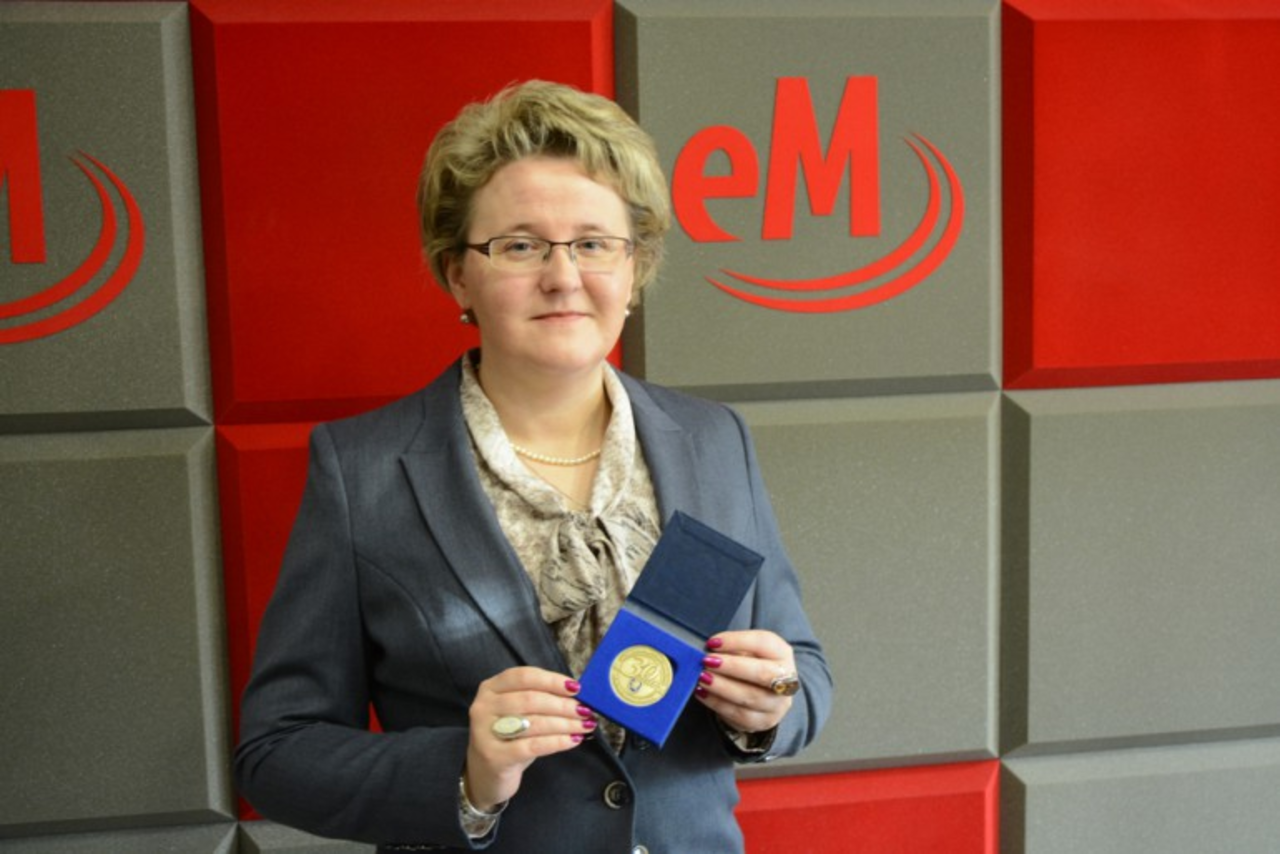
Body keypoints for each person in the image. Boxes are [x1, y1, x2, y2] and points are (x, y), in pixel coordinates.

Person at [234, 79, 832, 854]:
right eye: (520, 245)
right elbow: (277, 754)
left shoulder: (714, 439)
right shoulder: (362, 471)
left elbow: (803, 672)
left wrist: (776, 705)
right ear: (458, 273)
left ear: (634, 267)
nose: (563, 276)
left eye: (594, 243)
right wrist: (465, 770)